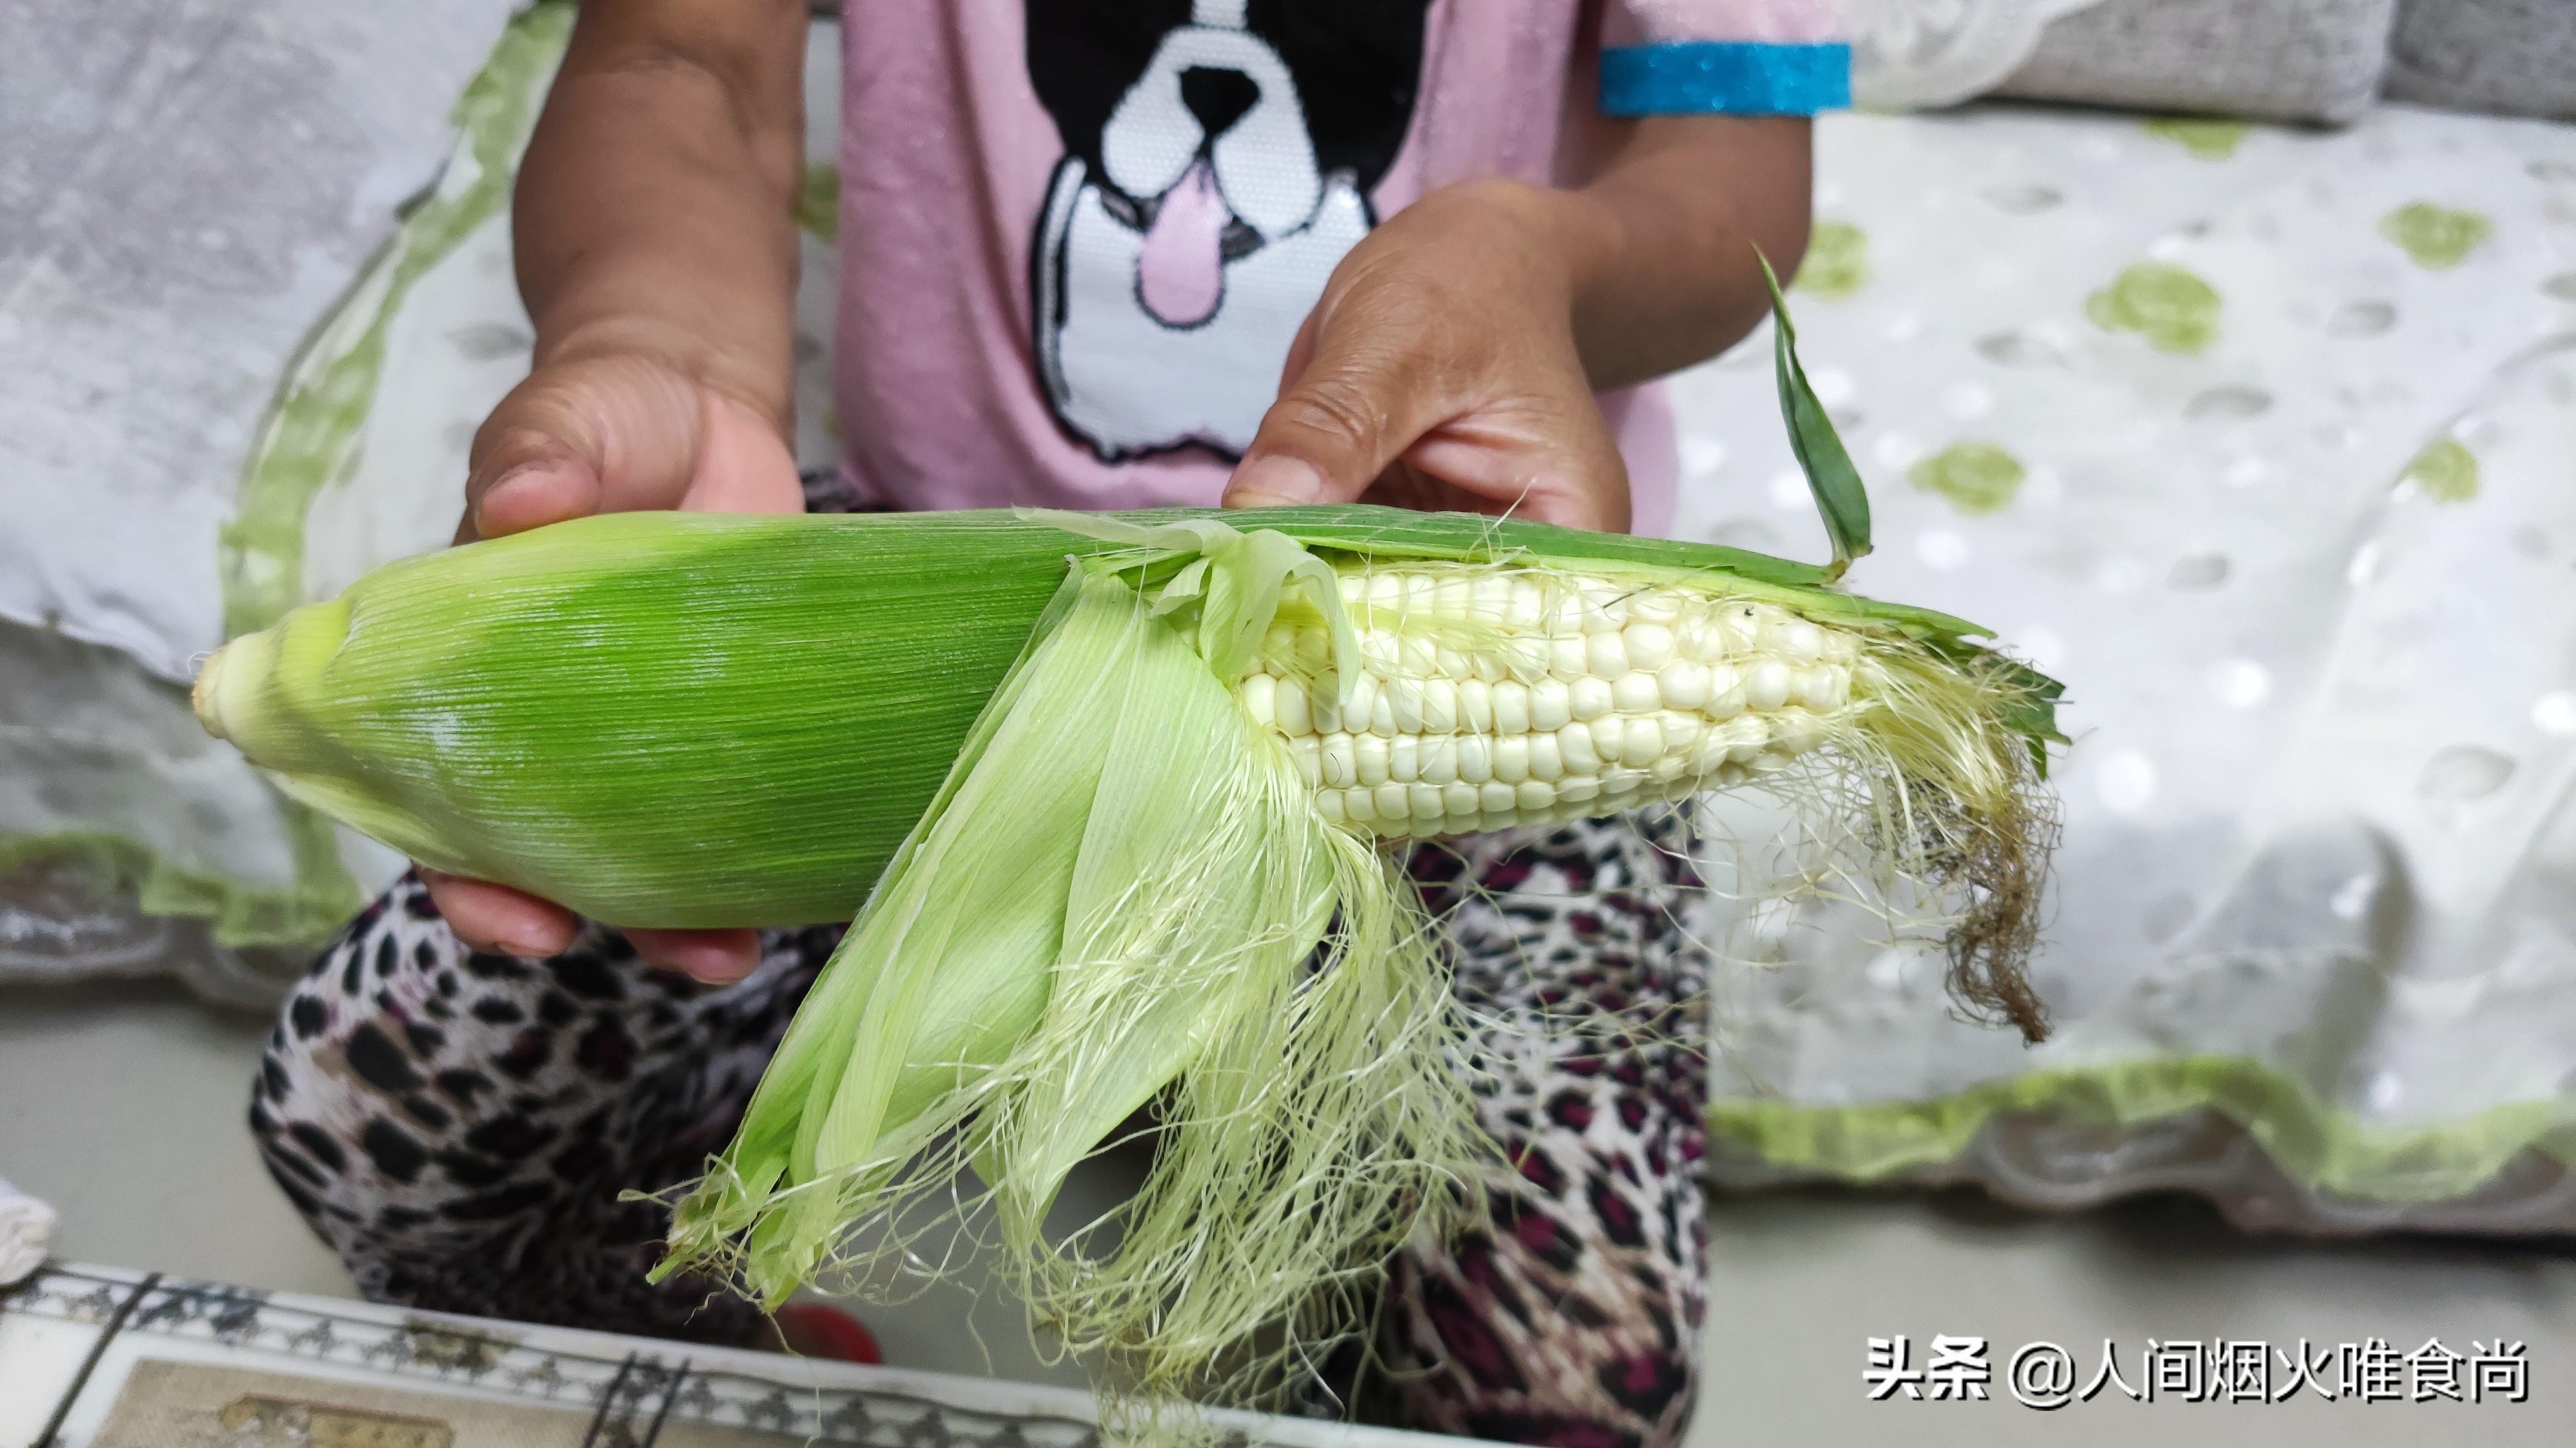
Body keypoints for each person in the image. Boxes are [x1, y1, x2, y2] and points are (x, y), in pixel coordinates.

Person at [247, 3, 1842, 1442]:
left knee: (1578, 1387)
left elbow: (1726, 169)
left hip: (1471, 629)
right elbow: (683, 61)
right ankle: (719, 1342)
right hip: (931, 606)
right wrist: (650, 343)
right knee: (370, 1126)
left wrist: (1539, 255)